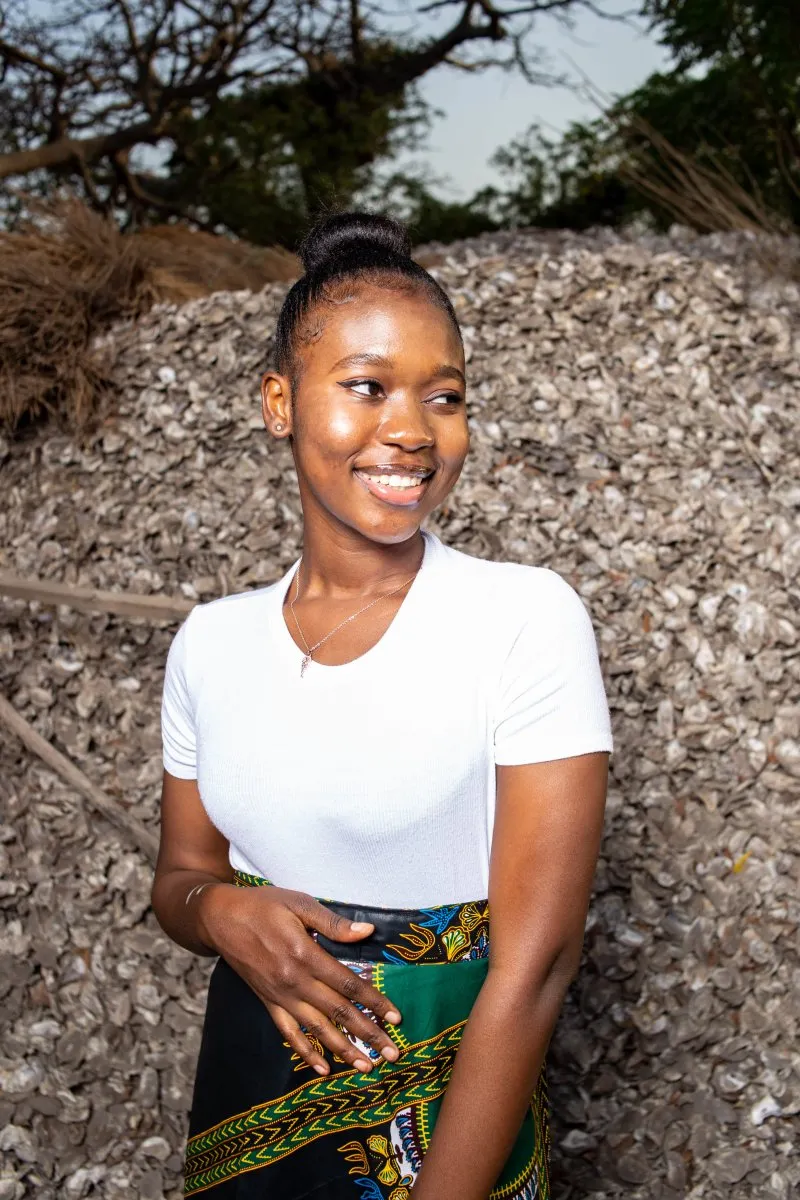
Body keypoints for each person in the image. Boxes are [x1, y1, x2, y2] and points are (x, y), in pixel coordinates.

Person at [151, 210, 613, 1200]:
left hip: (449, 1138)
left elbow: (536, 965)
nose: (411, 430)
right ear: (280, 401)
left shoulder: (522, 618)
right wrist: (222, 912)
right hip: (244, 1111)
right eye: (366, 388)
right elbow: (180, 879)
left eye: (443, 397)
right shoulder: (210, 644)